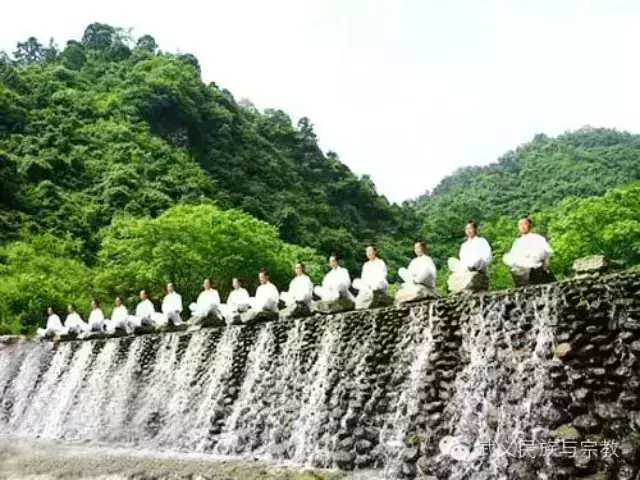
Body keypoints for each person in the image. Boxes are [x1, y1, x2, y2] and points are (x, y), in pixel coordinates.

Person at [503, 216, 554, 285]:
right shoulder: (517, 243)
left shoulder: (538, 239)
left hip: (537, 272)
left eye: (524, 224)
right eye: (520, 225)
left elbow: (545, 255)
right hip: (522, 276)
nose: (522, 226)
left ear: (530, 225)